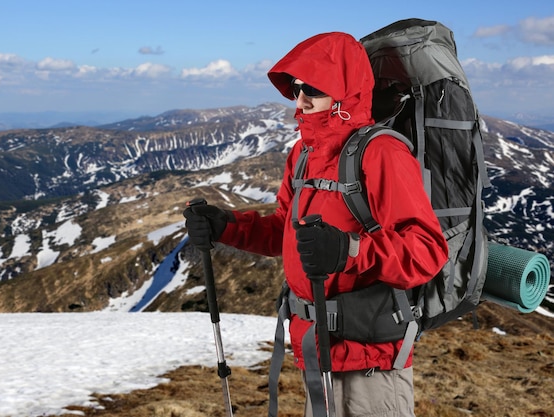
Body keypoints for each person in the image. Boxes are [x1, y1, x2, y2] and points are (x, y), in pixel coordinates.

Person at [183, 32, 448, 417]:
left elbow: (427, 252)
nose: (300, 99)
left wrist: (348, 251)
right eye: (296, 87)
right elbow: (283, 232)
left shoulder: (381, 153)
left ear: (345, 92)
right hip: (317, 349)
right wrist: (226, 226)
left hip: (369, 362)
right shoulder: (304, 155)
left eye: (314, 88)